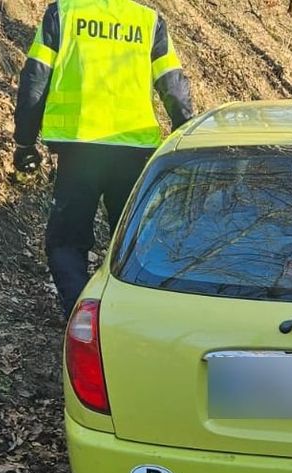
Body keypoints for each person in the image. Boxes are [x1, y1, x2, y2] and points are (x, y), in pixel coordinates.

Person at [12, 0, 194, 317]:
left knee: (66, 241)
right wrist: (189, 138)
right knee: (132, 243)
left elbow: (35, 79)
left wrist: (25, 141)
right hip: (134, 152)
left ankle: (83, 319)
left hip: (80, 148)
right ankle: (132, 318)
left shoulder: (64, 14)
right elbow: (174, 86)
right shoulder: (148, 22)